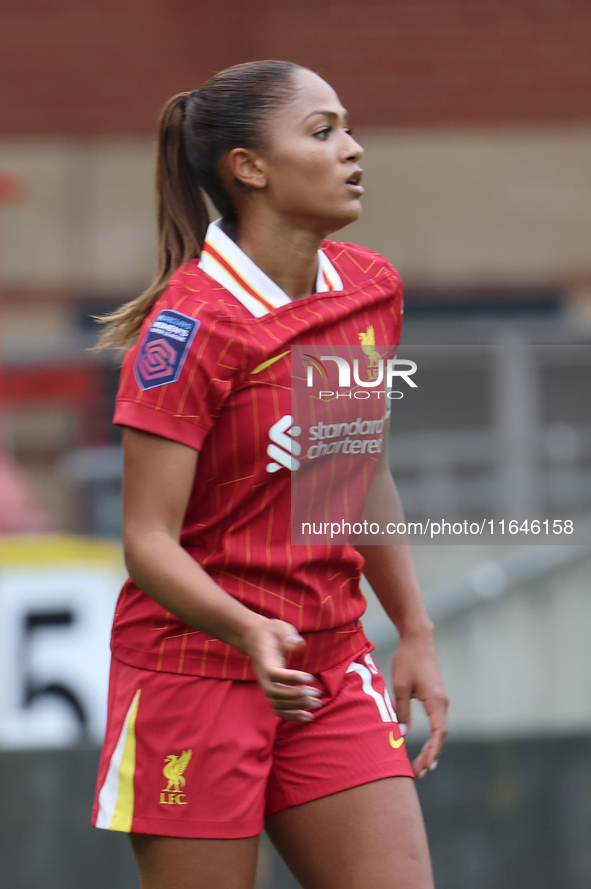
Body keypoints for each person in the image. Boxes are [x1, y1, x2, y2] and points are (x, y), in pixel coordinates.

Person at [92, 60, 448, 889]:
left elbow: (355, 473)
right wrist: (246, 628)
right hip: (194, 674)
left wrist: (415, 629)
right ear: (248, 168)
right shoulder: (187, 331)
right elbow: (147, 540)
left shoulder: (368, 285)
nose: (352, 149)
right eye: (323, 132)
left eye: (347, 127)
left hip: (326, 662)